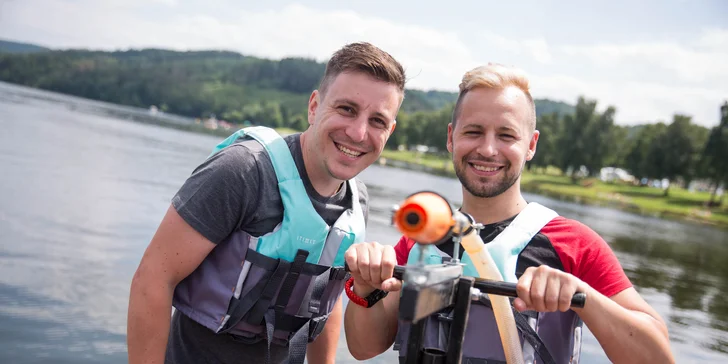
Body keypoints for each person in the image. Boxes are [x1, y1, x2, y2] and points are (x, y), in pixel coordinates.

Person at [343, 64, 674, 363]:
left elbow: (659, 358)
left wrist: (579, 295)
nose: (488, 149)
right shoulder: (421, 241)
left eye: (506, 135)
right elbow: (364, 347)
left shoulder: (574, 244)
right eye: (473, 131)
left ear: (531, 145)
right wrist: (365, 286)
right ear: (450, 138)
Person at [127, 42, 406, 364]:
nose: (358, 133)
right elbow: (153, 277)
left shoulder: (357, 201)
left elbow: (324, 301)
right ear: (314, 106)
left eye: (377, 121)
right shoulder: (242, 171)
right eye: (346, 109)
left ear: (390, 131)